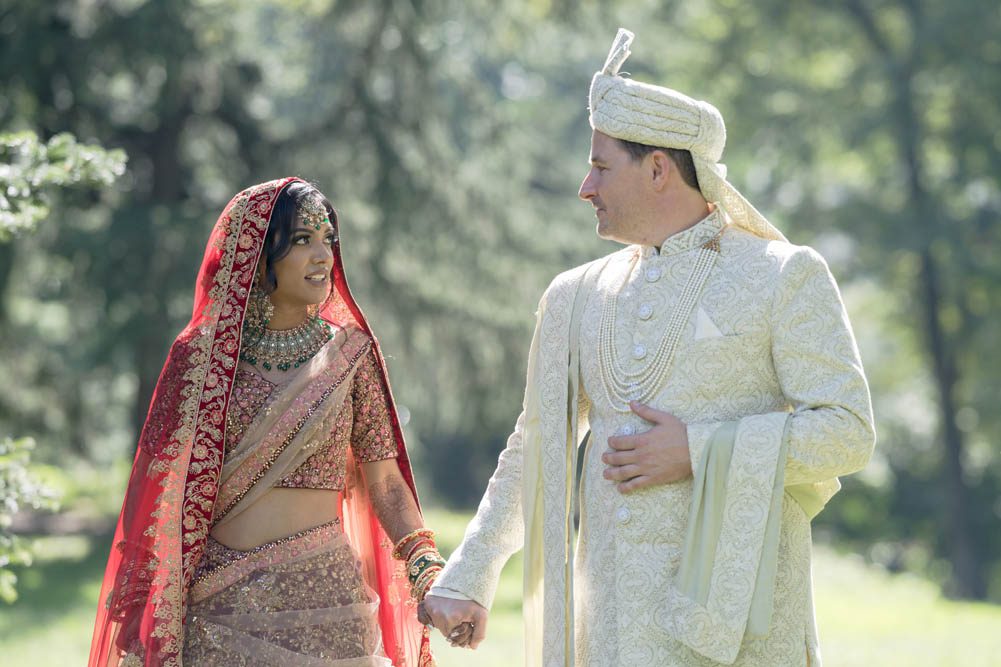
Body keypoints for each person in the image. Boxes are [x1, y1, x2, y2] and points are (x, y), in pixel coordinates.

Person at [424, 29, 875, 666]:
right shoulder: (575, 295)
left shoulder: (783, 274)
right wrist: (471, 573)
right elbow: (538, 445)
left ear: (658, 167)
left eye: (602, 165)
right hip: (612, 633)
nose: (585, 186)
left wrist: (699, 449)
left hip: (747, 636)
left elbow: (848, 433)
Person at [89, 177, 441, 666]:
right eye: (301, 240)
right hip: (217, 612)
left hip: (329, 610)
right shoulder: (200, 360)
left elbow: (385, 482)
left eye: (328, 240)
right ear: (256, 251)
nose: (323, 256)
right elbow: (153, 493)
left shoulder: (350, 356)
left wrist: (425, 568)